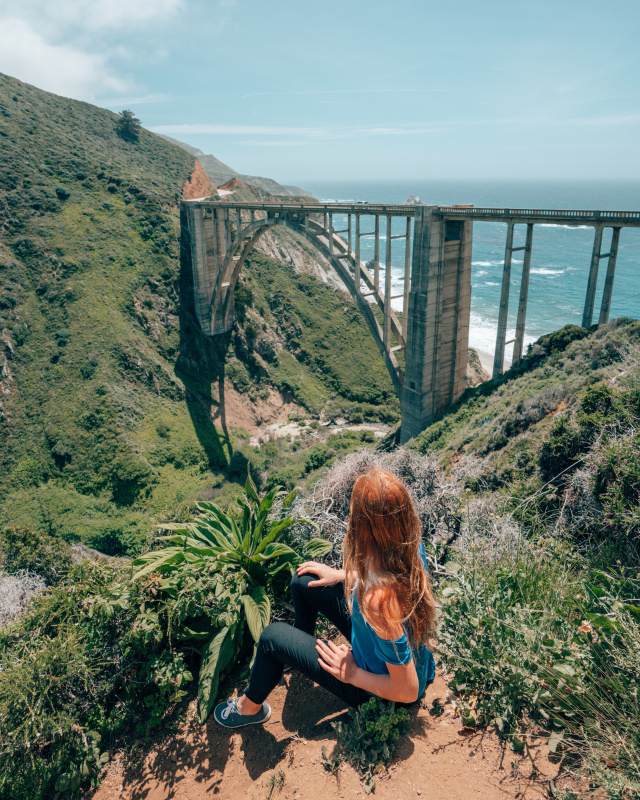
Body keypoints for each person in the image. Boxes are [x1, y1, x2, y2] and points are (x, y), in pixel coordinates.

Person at [214, 468, 437, 728]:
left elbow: (407, 691)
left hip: (383, 692)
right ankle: (296, 649)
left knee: (271, 638)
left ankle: (248, 708)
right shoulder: (408, 543)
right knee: (304, 582)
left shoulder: (379, 601)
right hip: (392, 660)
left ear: (365, 530)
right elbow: (388, 573)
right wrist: (341, 574)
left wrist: (352, 673)